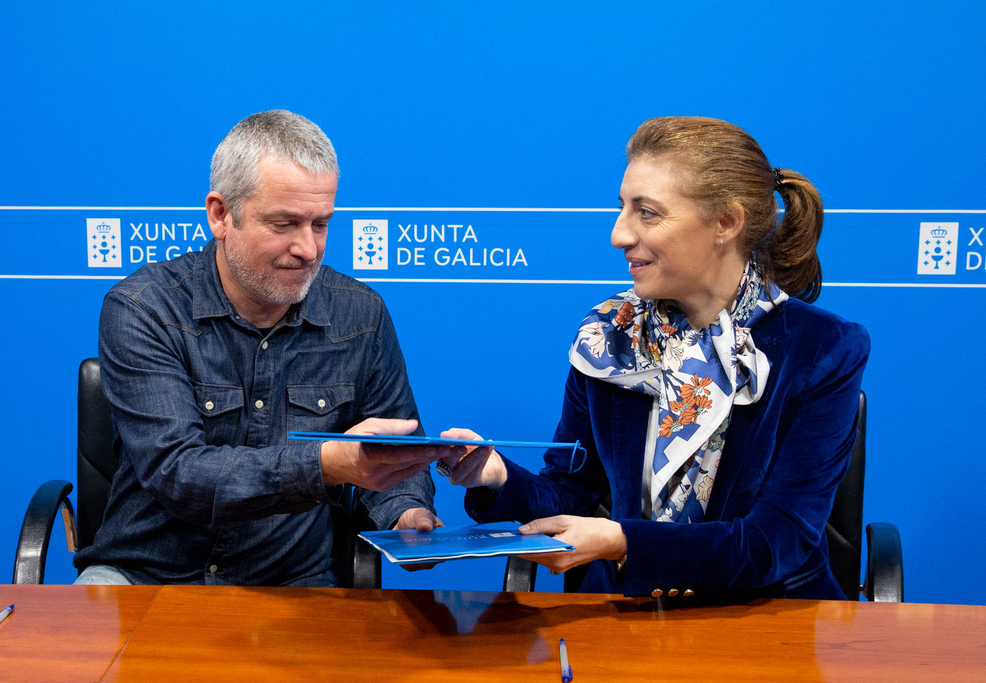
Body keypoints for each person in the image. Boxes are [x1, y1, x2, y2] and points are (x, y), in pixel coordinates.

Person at [440, 116, 870, 601]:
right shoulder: (609, 335)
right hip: (625, 616)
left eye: (646, 213)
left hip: (768, 620)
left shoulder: (824, 348)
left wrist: (625, 543)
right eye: (622, 208)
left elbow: (776, 543)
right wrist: (495, 476)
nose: (618, 235)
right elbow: (570, 493)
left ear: (726, 223)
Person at [74, 110, 456, 586]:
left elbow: (393, 449)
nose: (309, 249)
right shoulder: (144, 308)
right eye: (284, 224)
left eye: (321, 224)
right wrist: (324, 465)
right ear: (220, 215)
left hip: (294, 582)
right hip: (146, 574)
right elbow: (178, 473)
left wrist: (406, 511)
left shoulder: (361, 315)